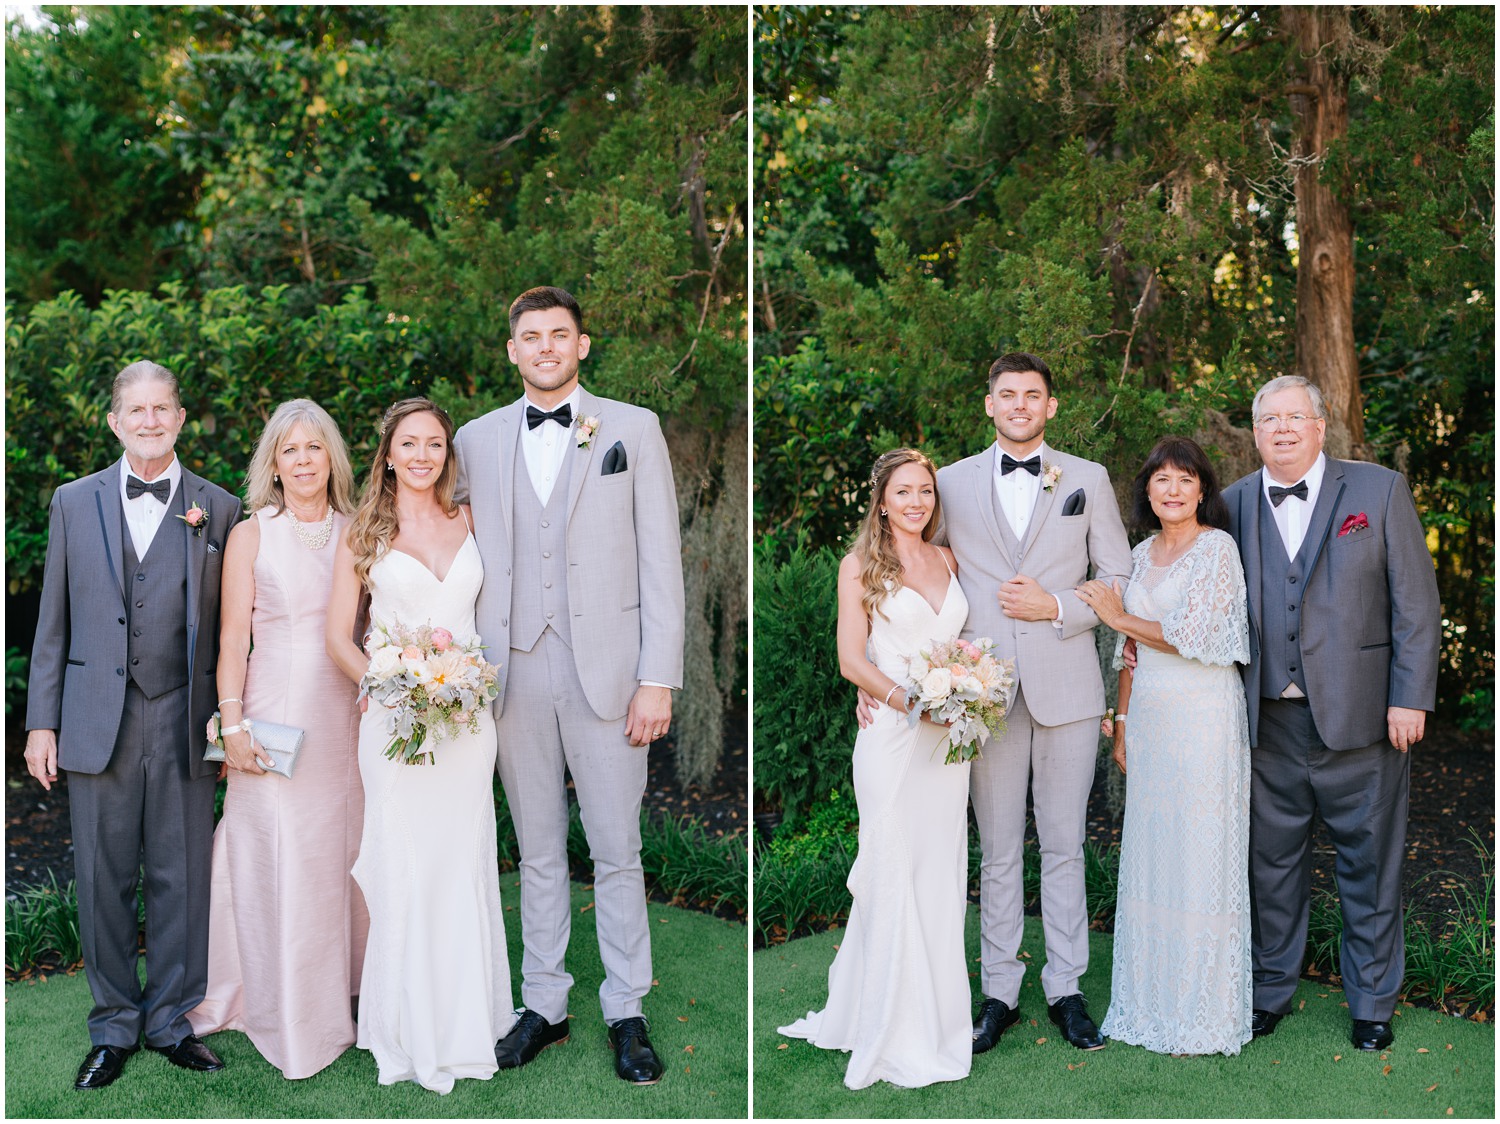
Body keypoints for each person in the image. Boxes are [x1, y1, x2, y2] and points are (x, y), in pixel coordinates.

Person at [864, 353, 1132, 1053]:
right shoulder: (947, 482)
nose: (1019, 404)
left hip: (1070, 688)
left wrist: (1060, 607)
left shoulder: (1088, 479)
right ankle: (999, 992)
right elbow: (910, 577)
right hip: (980, 696)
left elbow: (1119, 572)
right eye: (1007, 394)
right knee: (1000, 848)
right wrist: (884, 681)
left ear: (1051, 406)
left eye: (1032, 395)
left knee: (1067, 844)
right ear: (989, 405)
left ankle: (1067, 988)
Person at [452, 285, 685, 1085]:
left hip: (613, 674)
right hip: (510, 670)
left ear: (582, 345)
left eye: (560, 334)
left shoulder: (632, 429)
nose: (546, 346)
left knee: (618, 850)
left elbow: (661, 560)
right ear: (512, 350)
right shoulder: (475, 440)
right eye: (531, 336)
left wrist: (659, 677)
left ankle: (627, 1008)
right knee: (539, 848)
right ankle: (544, 1004)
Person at [24, 360, 241, 1089]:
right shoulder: (71, 502)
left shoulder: (222, 507)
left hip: (186, 717)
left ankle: (172, 1020)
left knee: (182, 876)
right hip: (94, 720)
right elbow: (51, 622)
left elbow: (237, 631)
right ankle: (114, 1024)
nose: (150, 421)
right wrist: (40, 724)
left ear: (182, 418)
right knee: (103, 875)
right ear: (114, 421)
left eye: (163, 409)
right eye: (135, 411)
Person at [1223, 375, 1440, 1052]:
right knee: (1270, 866)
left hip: (1365, 719)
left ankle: (1372, 1002)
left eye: (1295, 416)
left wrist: (1410, 695)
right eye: (1269, 420)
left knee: (1369, 867)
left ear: (1320, 426)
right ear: (1254, 434)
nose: (1282, 429)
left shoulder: (1378, 491)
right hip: (1266, 726)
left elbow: (1416, 604)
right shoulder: (1230, 504)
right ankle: (1269, 990)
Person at [325, 397, 516, 1094]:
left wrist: (455, 683)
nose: (422, 455)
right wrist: (391, 684)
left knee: (461, 860)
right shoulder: (363, 532)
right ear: (388, 453)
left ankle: (469, 1019)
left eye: (434, 444)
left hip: (468, 725)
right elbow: (336, 639)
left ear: (447, 455)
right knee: (405, 864)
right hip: (396, 723)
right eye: (410, 443)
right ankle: (404, 1027)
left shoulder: (471, 519)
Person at [779, 449, 974, 1090]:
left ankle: (938, 1019)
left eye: (925, 491)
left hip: (949, 748)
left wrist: (969, 689)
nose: (916, 502)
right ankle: (891, 1028)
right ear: (882, 500)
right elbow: (850, 658)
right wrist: (910, 702)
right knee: (892, 871)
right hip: (893, 738)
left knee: (936, 873)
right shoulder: (859, 565)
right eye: (904, 492)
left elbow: (960, 647)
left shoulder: (948, 559)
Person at [186, 399, 368, 1078]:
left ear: (331, 458)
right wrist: (231, 723)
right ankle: (279, 1005)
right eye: (289, 451)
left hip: (346, 710)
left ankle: (348, 993)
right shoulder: (252, 533)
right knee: (278, 851)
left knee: (340, 851)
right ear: (274, 462)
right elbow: (233, 637)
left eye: (314, 449)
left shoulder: (359, 529)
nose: (302, 462)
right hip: (272, 712)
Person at [1076, 436, 1252, 1056]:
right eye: (1160, 480)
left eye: (1184, 479)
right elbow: (1131, 656)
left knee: (1200, 854)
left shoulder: (1218, 550)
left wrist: (1118, 617)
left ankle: (1201, 1013)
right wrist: (1121, 724)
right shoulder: (1141, 552)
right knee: (1154, 852)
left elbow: (1195, 635)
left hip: (1204, 713)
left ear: (1202, 489)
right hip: (1150, 713)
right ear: (1146, 491)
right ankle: (1148, 1001)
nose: (1172, 489)